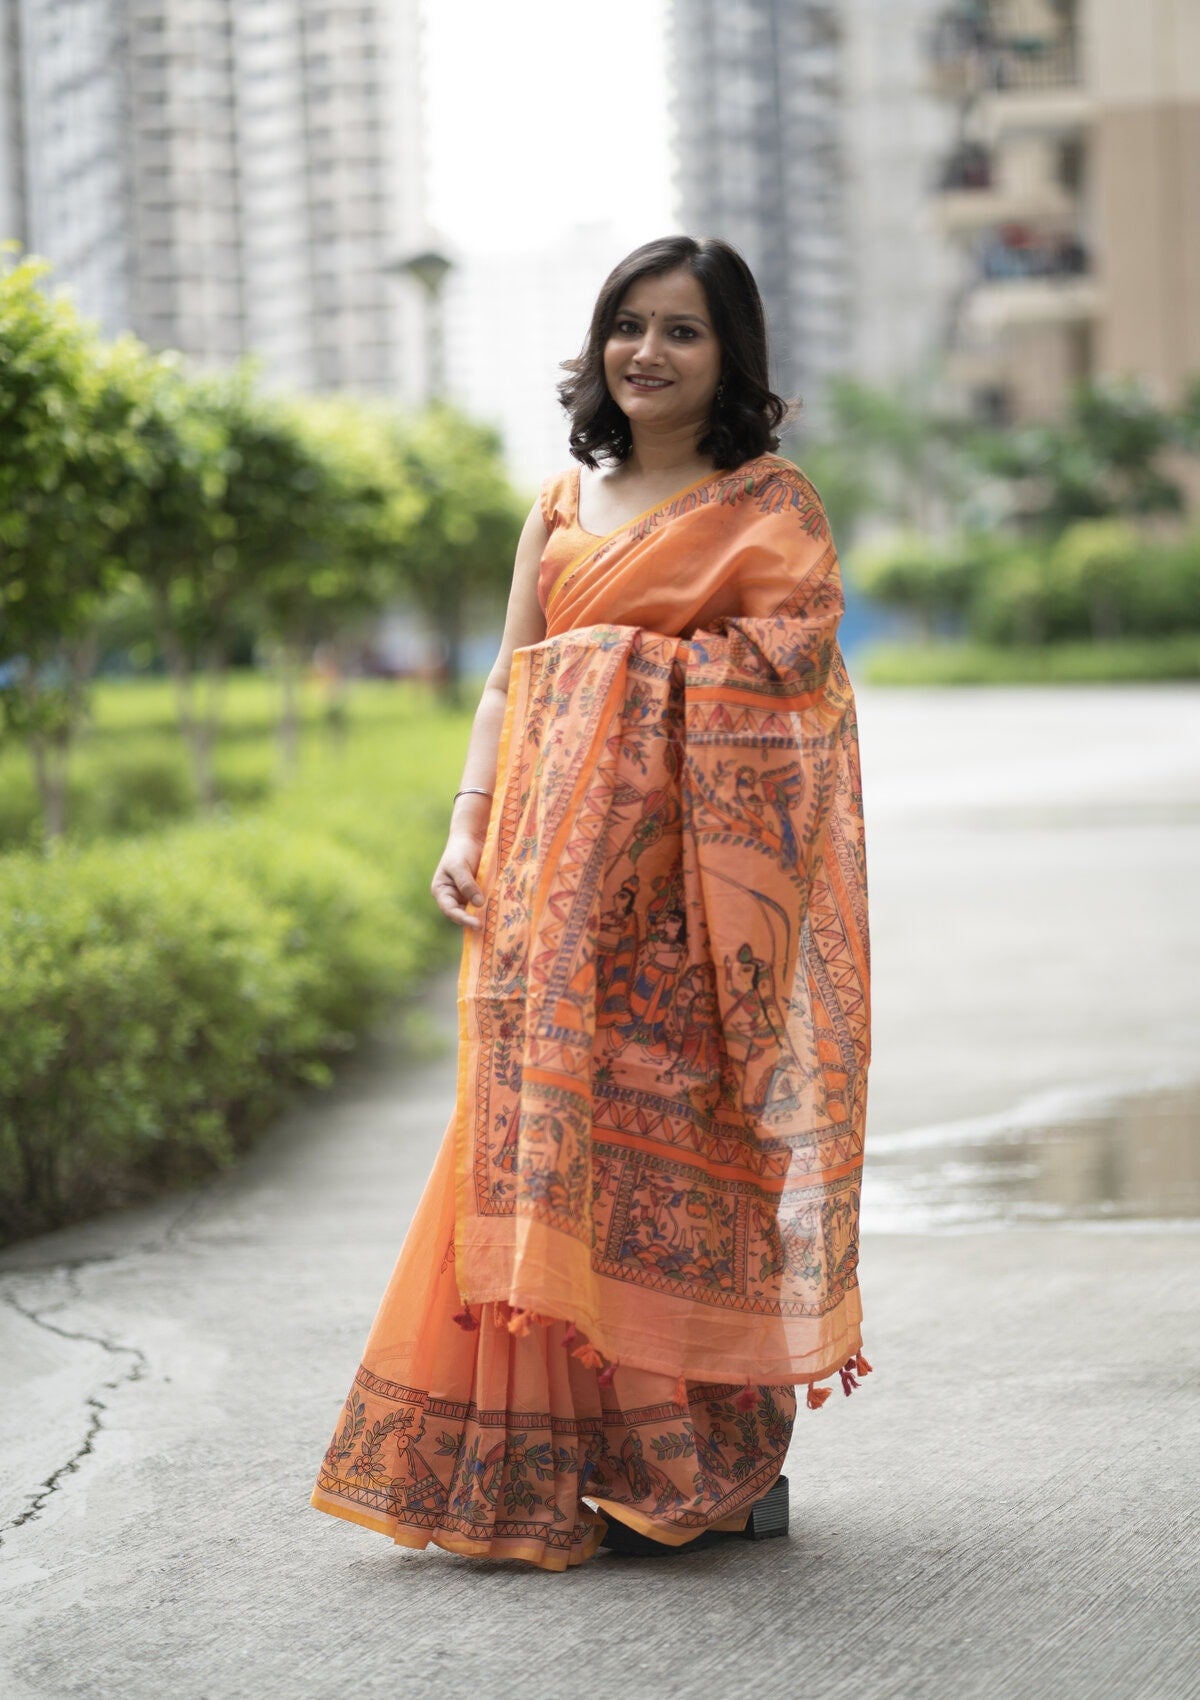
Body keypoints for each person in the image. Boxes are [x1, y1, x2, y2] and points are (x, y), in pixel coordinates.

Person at [310, 235, 872, 1570]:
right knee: (535, 1148)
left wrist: (624, 670)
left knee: (689, 1165)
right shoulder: (566, 499)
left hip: (687, 912)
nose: (649, 353)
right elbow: (513, 679)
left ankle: (714, 1462)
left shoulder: (768, 504)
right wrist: (467, 818)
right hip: (545, 892)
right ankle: (546, 1462)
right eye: (630, 324)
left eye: (683, 330)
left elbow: (795, 674)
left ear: (730, 353)